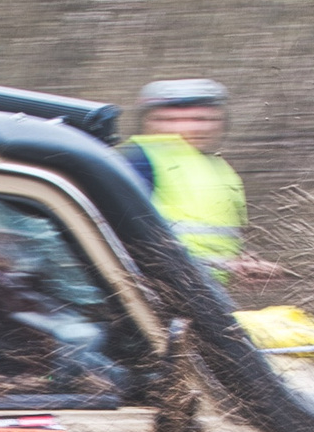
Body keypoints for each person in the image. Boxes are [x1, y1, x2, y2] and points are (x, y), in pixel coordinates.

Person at [118, 78, 287, 285]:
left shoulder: (218, 168)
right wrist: (221, 265)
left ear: (222, 122)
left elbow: (211, 240)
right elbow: (121, 236)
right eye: (169, 120)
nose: (187, 128)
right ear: (146, 123)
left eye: (201, 119)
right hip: (154, 289)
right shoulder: (138, 159)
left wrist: (239, 261)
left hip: (199, 290)